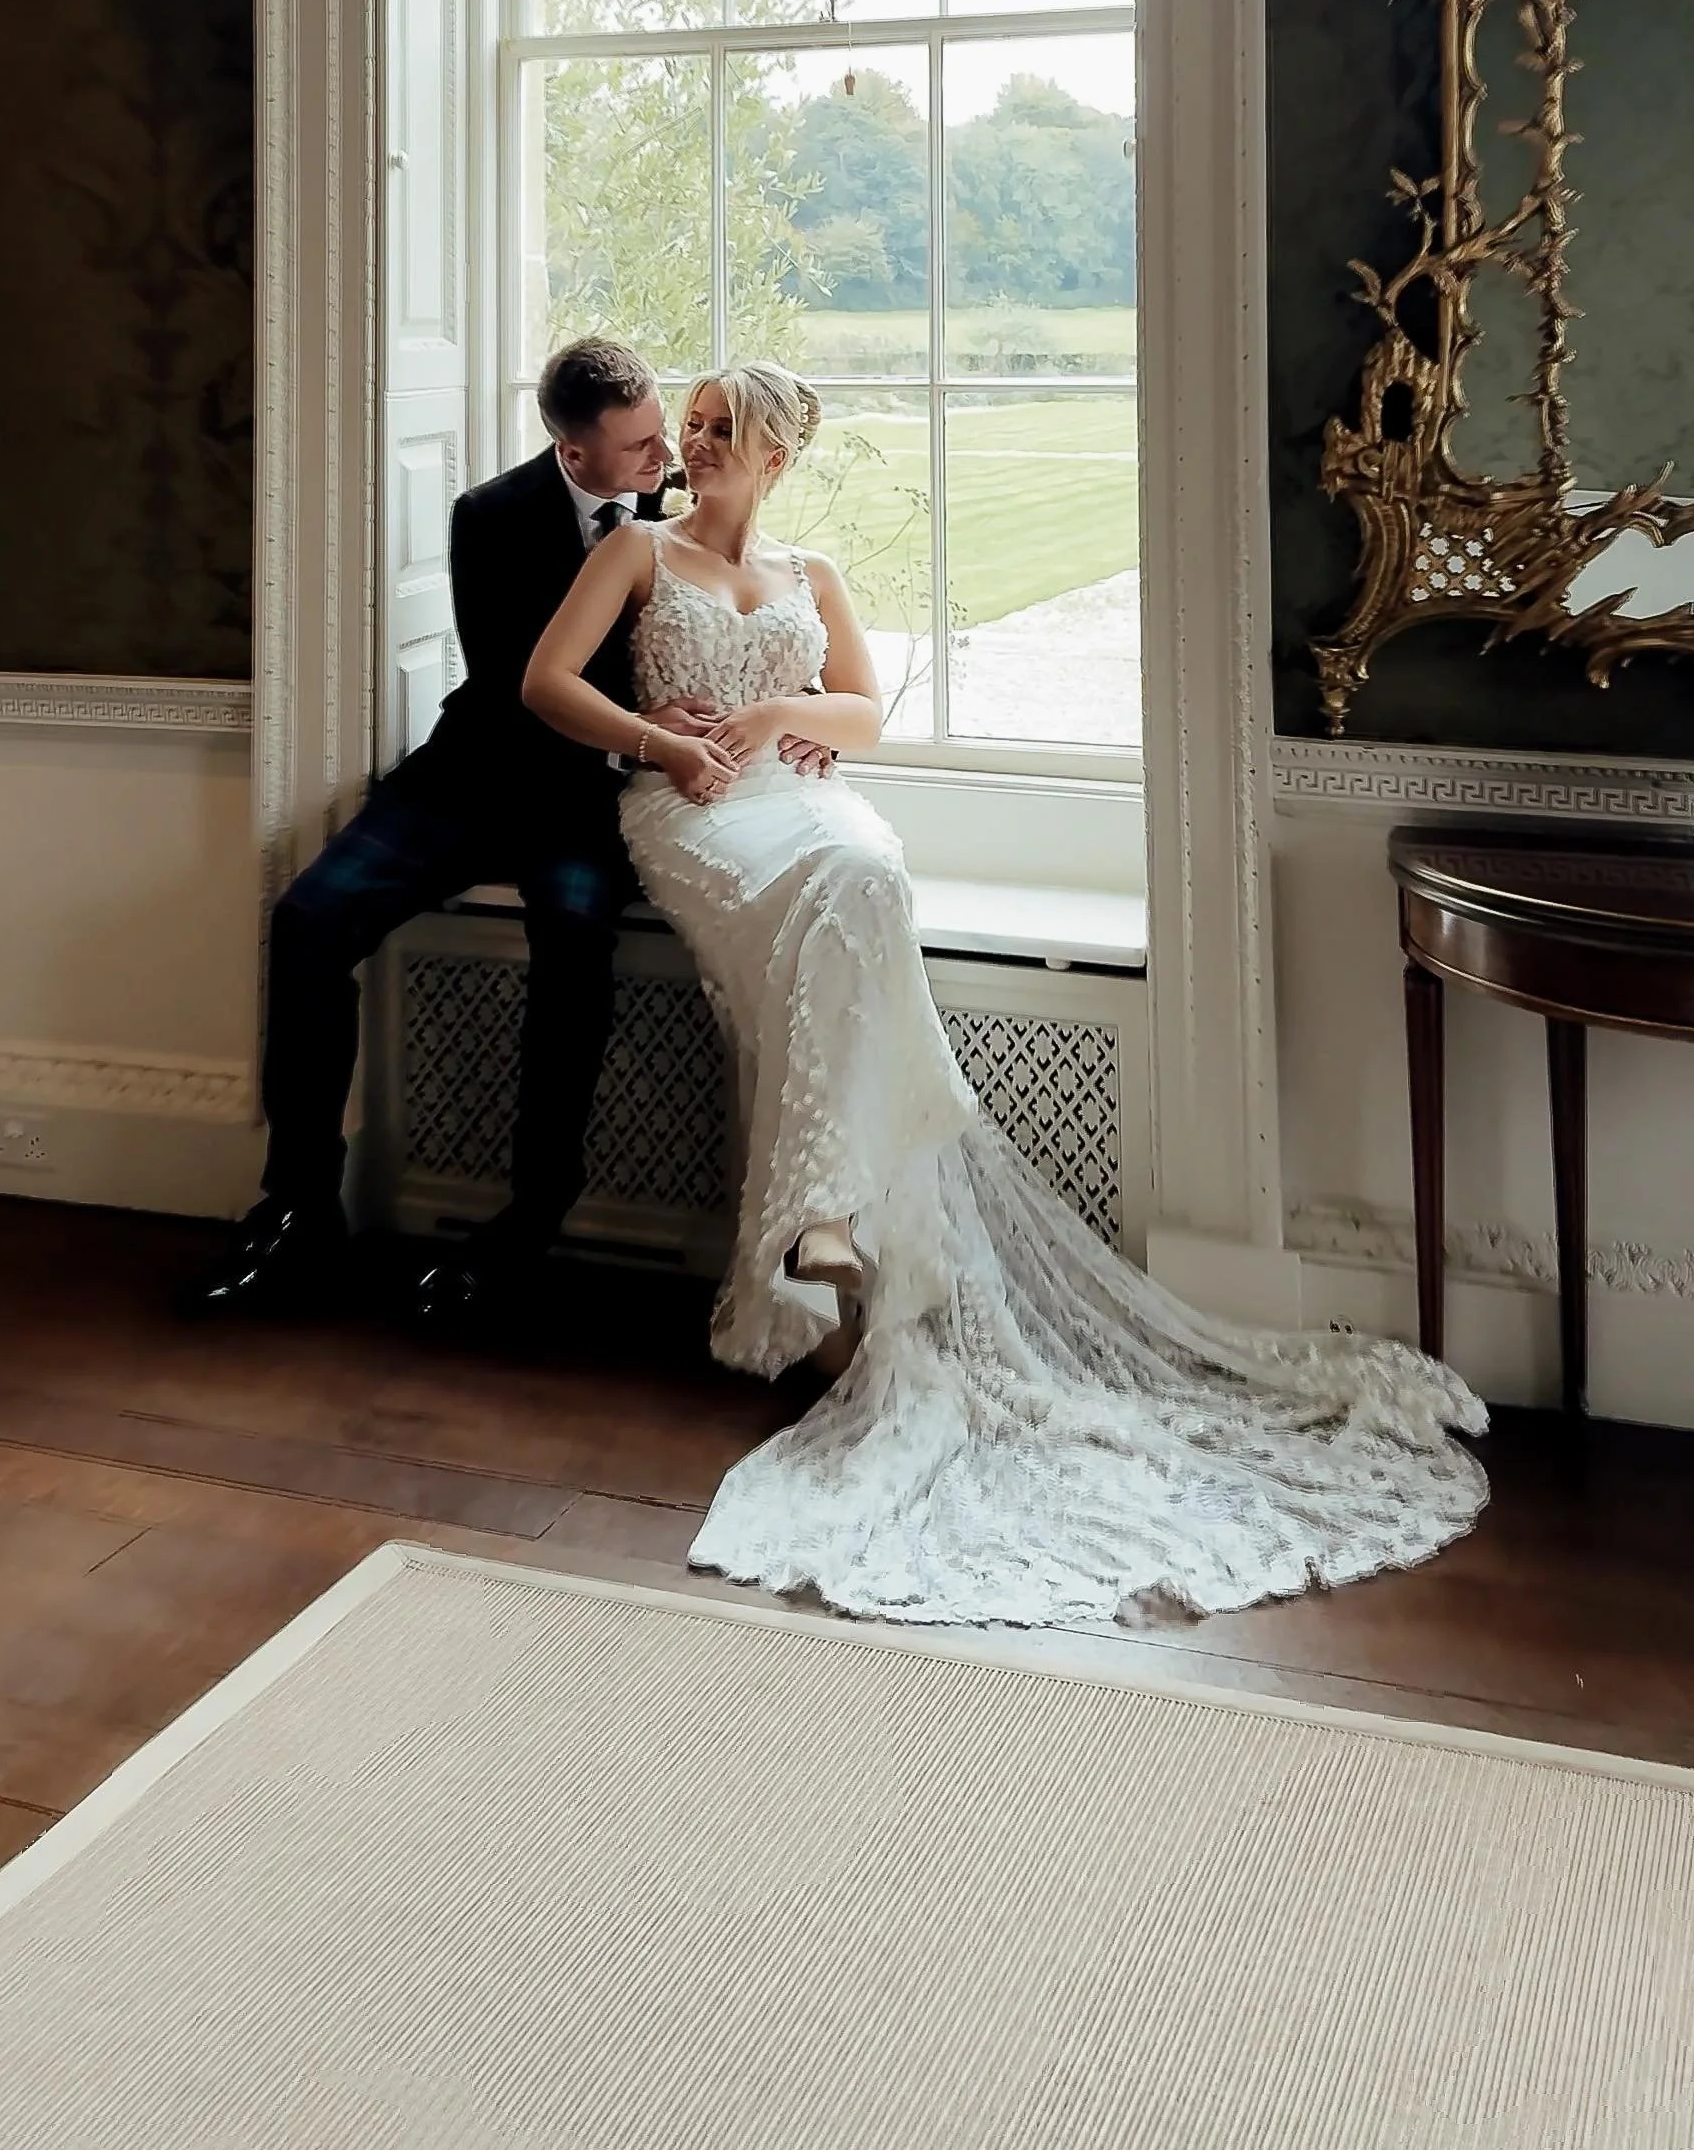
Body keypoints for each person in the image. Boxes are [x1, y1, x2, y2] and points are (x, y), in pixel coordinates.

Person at [523, 361, 1491, 1629]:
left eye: (719, 431)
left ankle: (826, 1229)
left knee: (867, 880)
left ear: (775, 457)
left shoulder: (816, 574)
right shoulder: (639, 555)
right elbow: (549, 684)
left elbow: (863, 713)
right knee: (848, 902)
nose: (694, 445)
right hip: (693, 813)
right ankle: (825, 1225)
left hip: (805, 804)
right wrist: (668, 741)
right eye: (691, 427)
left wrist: (776, 713)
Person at [186, 339, 834, 1340]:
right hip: (479, 777)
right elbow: (514, 686)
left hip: (596, 803)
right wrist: (653, 729)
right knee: (309, 919)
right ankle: (298, 1206)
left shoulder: (685, 495)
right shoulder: (488, 517)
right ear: (574, 453)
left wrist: (792, 709)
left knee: (574, 940)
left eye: (667, 432)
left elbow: (753, 619)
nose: (668, 457)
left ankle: (531, 1220)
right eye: (641, 447)